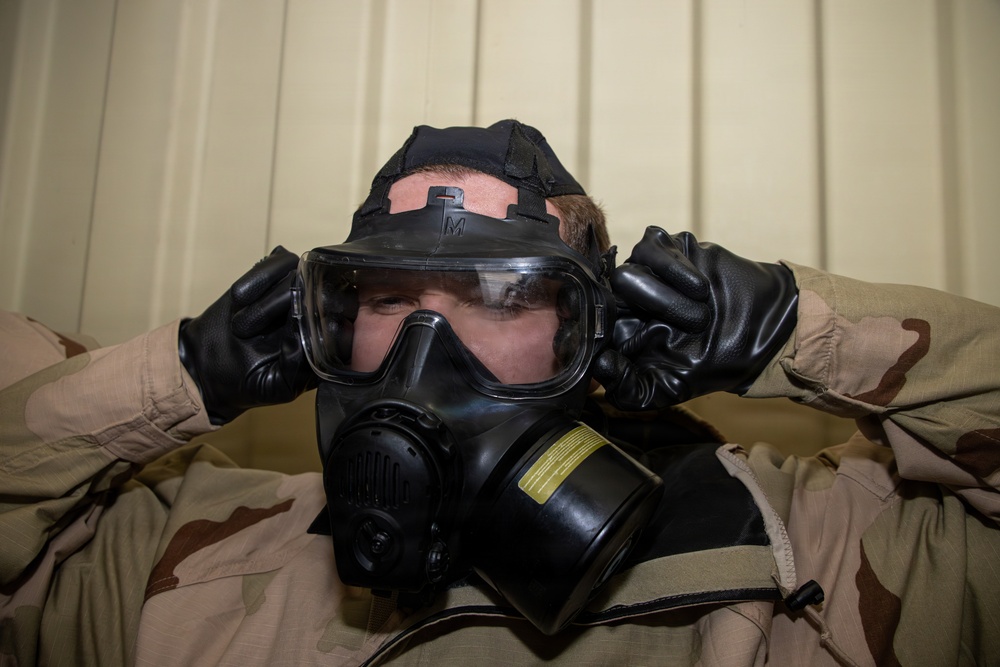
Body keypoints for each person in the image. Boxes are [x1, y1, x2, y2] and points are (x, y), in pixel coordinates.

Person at [1, 119, 998, 666]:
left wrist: (798, 329)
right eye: (387, 296)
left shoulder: (804, 536)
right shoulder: (178, 550)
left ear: (589, 329)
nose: (424, 347)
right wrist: (176, 375)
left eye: (501, 292)